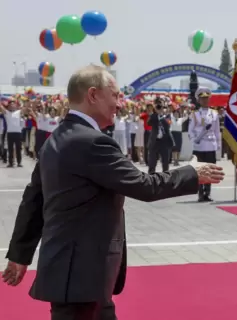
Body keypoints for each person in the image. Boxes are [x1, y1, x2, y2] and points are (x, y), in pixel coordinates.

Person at [1, 65, 224, 320]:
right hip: (82, 279)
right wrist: (192, 172)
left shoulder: (57, 138)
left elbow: (33, 200)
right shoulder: (92, 142)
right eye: (115, 95)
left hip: (77, 278)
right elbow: (144, 185)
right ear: (93, 95)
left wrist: (20, 254)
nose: (119, 103)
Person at [188, 87, 222, 202]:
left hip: (210, 145)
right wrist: (194, 140)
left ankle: (207, 193)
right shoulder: (195, 114)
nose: (205, 101)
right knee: (199, 170)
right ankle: (200, 193)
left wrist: (218, 144)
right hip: (199, 146)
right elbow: (190, 130)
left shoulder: (214, 113)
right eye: (202, 99)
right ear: (198, 100)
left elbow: (217, 130)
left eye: (207, 98)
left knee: (210, 170)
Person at [147, 97, 174, 173]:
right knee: (152, 163)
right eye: (158, 104)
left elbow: (168, 125)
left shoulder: (167, 115)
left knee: (165, 163)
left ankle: (165, 180)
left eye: (160, 104)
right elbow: (148, 123)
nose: (159, 107)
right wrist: (155, 113)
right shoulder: (153, 115)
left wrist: (161, 115)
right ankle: (151, 179)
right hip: (154, 141)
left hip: (164, 142)